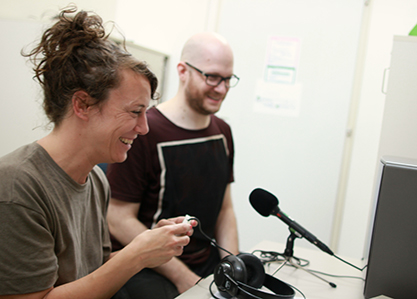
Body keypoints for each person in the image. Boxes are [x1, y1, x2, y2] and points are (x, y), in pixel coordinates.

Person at [0, 7, 195, 299]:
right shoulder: (17, 186)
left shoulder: (95, 180)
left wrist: (149, 247)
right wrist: (137, 256)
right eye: (135, 112)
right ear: (83, 105)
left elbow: (94, 273)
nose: (143, 129)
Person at [106, 32, 240, 298]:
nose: (221, 89)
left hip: (206, 262)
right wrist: (183, 277)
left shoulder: (222, 131)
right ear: (183, 71)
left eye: (227, 79)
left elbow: (225, 209)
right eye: (212, 77)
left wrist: (235, 266)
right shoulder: (144, 132)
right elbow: (118, 218)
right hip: (150, 267)